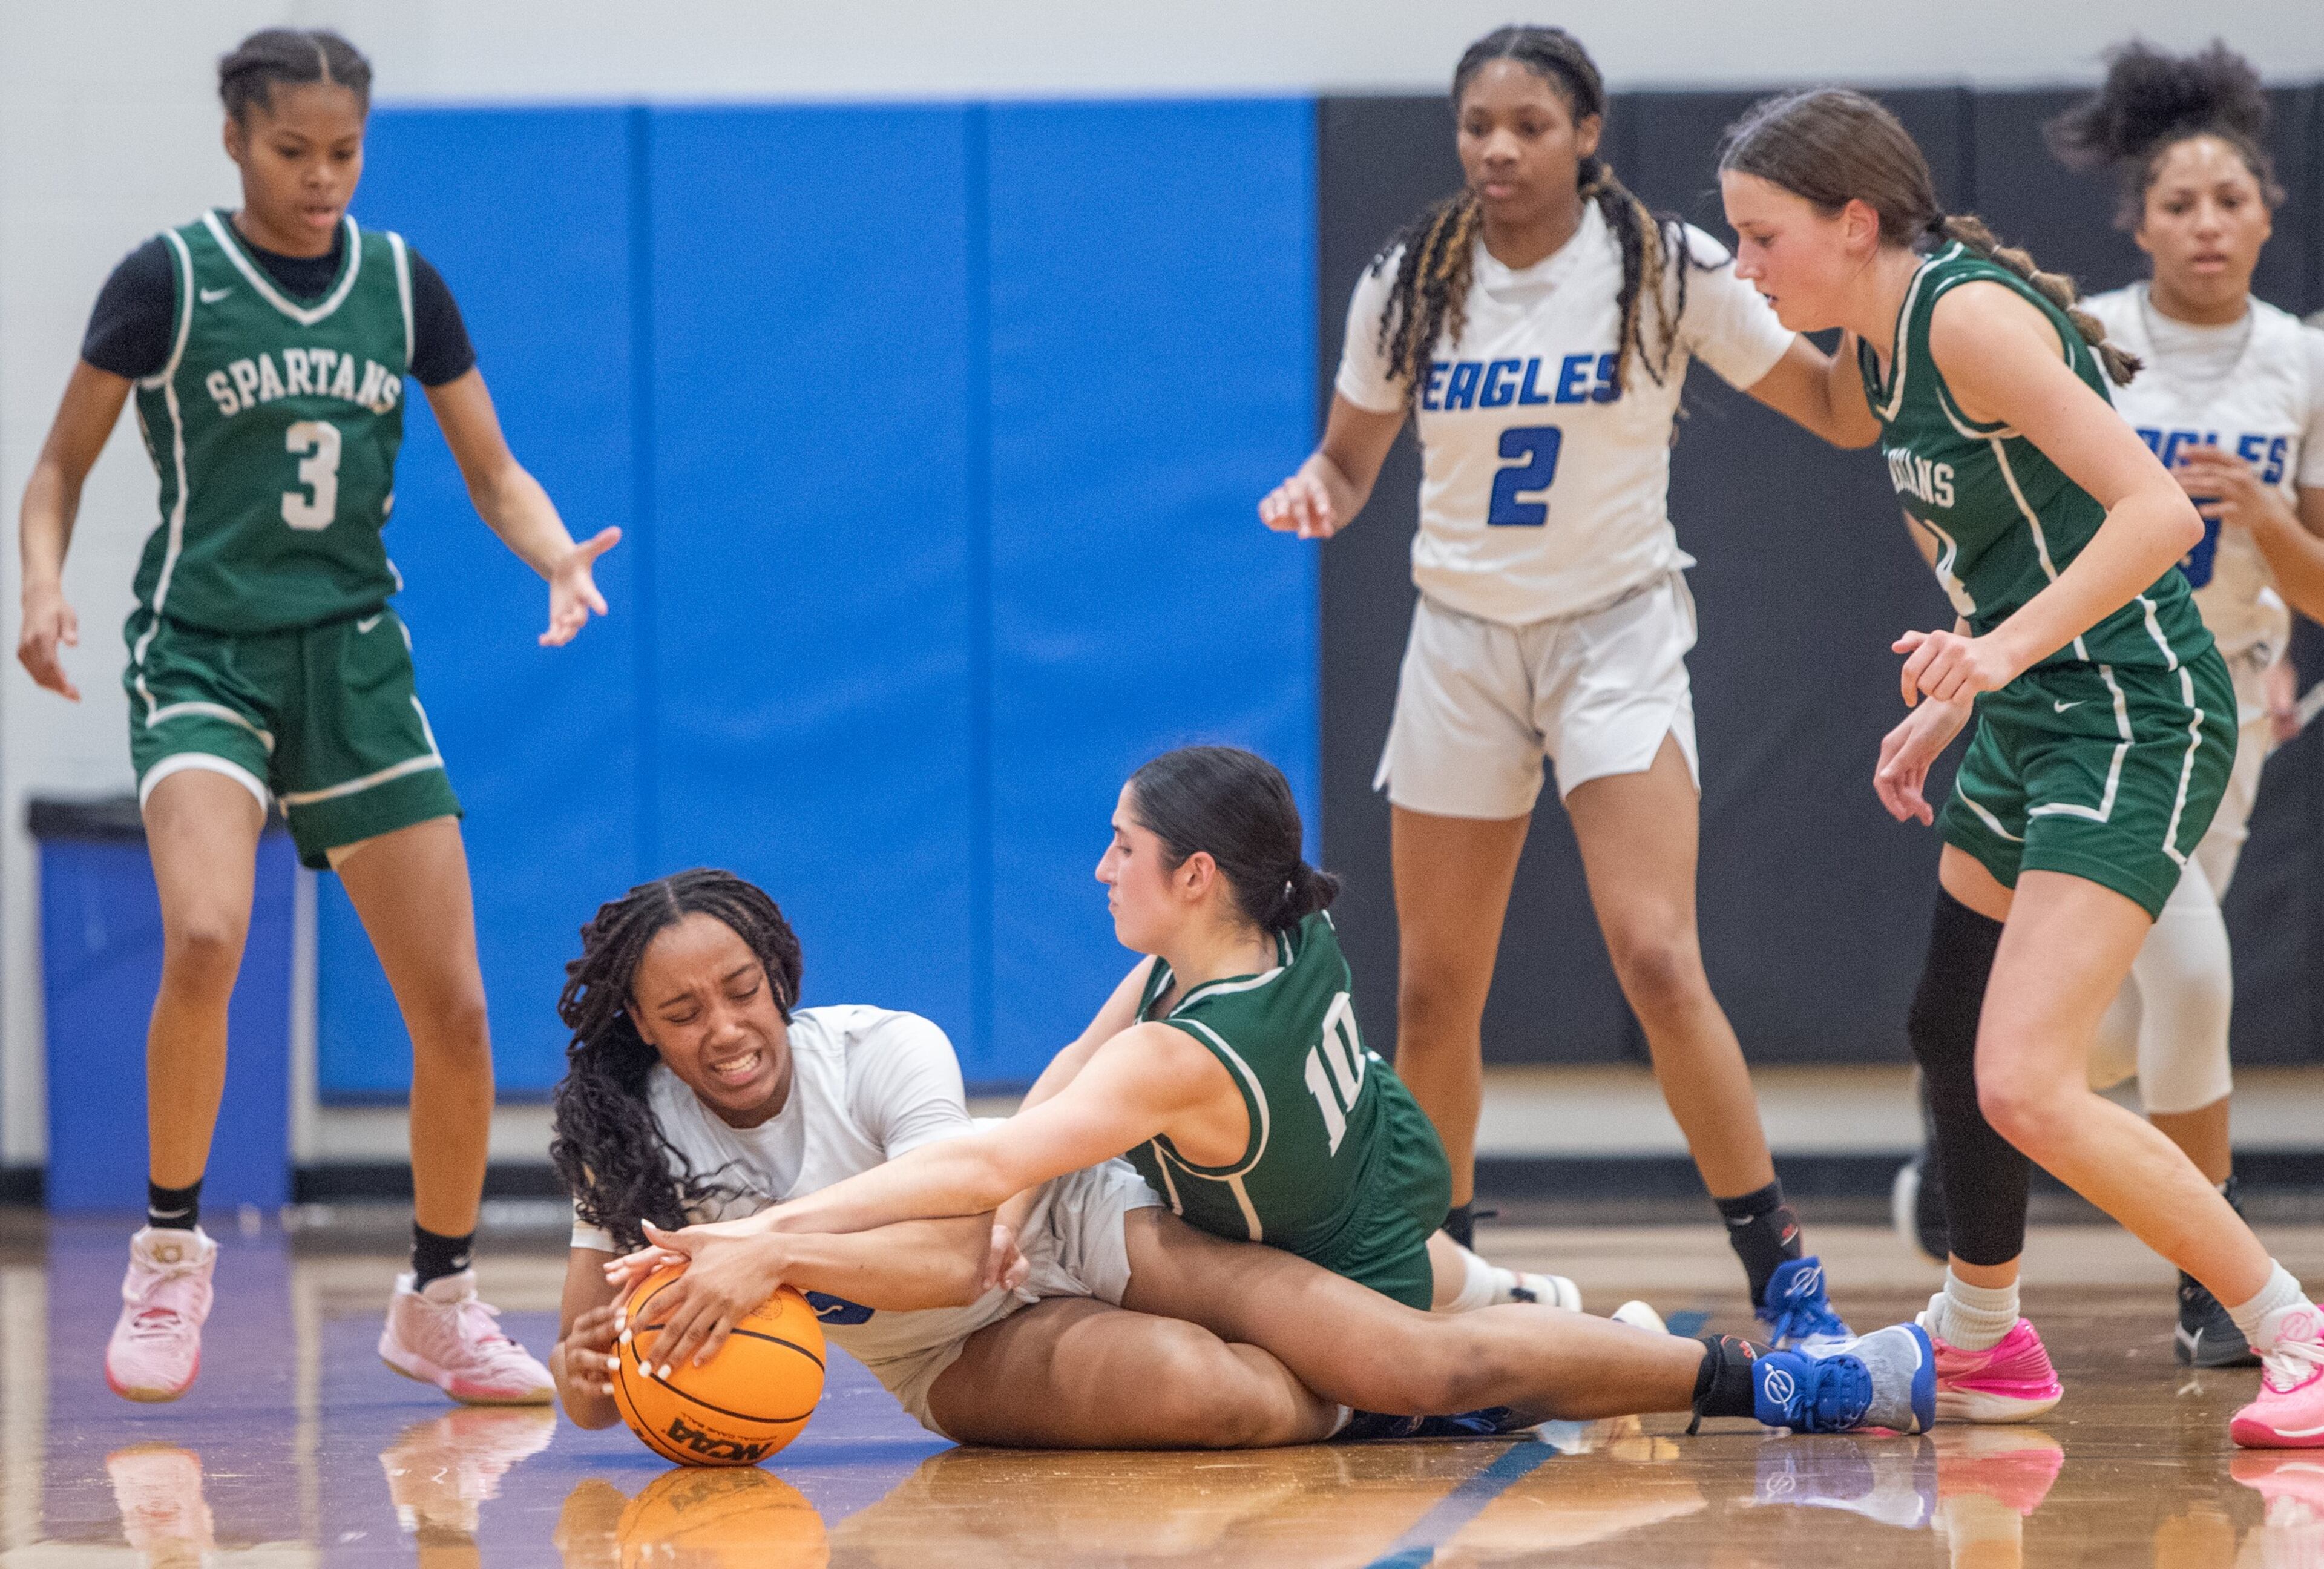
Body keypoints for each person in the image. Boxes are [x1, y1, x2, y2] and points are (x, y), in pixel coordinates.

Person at [15, 28, 619, 1404]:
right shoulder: (168, 281)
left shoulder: (403, 285)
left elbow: (493, 466)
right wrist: (45, 588)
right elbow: (56, 467)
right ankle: (169, 1260)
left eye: (344, 152)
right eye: (295, 153)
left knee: (457, 1012)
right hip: (206, 658)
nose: (322, 178)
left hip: (353, 664)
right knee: (210, 931)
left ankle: (442, 1298)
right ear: (236, 140)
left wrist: (555, 554)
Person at [1255, 24, 1881, 1349]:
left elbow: (1836, 411)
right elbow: (1350, 463)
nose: (1498, 146)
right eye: (1478, 123)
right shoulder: (1410, 277)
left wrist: (1890, 306)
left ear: (1587, 134)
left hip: (1615, 631)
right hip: (1464, 641)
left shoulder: (1663, 264)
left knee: (1657, 953)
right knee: (1433, 990)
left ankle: (1788, 1278)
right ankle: (1446, 1282)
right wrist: (1321, 490)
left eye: (1529, 124)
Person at [1718, 85, 2324, 1447]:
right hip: (2033, 700)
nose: (1748, 269)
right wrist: (1963, 690)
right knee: (1950, 1021)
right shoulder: (1872, 347)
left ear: (1853, 221)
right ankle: (1983, 1337)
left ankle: (2293, 1328)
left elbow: (2156, 514)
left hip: (2133, 707)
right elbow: (2005, 551)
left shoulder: (1964, 316)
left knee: (2027, 1082)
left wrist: (1990, 661)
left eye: (1761, 239)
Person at [548, 867, 1934, 1447]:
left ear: (778, 972)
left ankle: (1781, 1381)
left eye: (742, 988)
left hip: (1074, 1225)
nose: (727, 1026)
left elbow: (965, 1242)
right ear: (644, 1033)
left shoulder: (880, 1046)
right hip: (943, 1357)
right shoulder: (626, 1149)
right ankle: (1463, 1370)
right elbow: (600, 1387)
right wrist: (599, 1376)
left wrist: (774, 1249)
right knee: (1224, 1401)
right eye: (685, 1012)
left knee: (1397, 1339)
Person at [1896, 41, 2324, 1371]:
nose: (2206, 224)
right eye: (2178, 204)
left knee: (2089, 1040)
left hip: (2232, 708)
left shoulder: (2304, 363)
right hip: (2100, 697)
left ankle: (1971, 1158)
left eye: (2229, 202)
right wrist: (1988, 648)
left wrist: (2262, 516)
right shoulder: (2088, 336)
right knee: (2190, 981)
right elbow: (1984, 515)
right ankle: (2227, 1282)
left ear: (2269, 214)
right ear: (2136, 224)